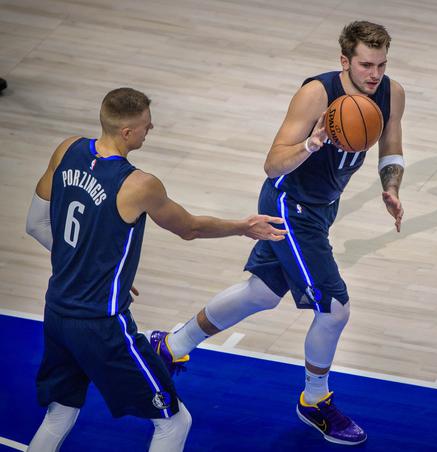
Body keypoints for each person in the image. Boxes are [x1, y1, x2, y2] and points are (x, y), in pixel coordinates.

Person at [154, 20, 405, 446]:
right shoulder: (316, 94)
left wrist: (390, 186)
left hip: (323, 208)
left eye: (381, 64)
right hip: (290, 206)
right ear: (344, 61)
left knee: (260, 293)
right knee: (335, 309)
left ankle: (172, 345)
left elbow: (391, 143)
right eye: (365, 65)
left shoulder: (390, 92)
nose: (374, 74)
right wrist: (314, 141)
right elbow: (271, 166)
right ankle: (314, 400)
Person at [24, 87, 286, 452]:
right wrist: (243, 227)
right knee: (174, 423)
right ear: (128, 132)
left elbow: (35, 224)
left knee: (60, 412)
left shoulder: (66, 149)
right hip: (102, 325)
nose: (152, 129)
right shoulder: (138, 184)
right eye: (147, 125)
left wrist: (87, 265)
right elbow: (190, 228)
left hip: (56, 312)